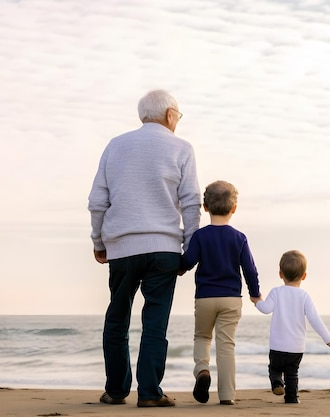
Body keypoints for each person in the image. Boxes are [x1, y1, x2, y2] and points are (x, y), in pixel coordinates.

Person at [88, 89, 201, 408]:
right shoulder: (182, 148)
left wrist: (99, 242)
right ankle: (150, 392)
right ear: (169, 115)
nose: (178, 121)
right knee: (155, 322)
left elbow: (98, 201)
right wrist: (189, 252)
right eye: (178, 115)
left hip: (121, 247)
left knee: (117, 318)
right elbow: (192, 203)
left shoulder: (115, 145)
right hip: (164, 247)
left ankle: (116, 390)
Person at [179, 180, 261, 406]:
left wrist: (179, 268)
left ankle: (202, 370)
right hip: (231, 299)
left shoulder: (200, 236)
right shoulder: (239, 237)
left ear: (205, 207)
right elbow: (250, 270)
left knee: (202, 337)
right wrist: (255, 294)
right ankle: (226, 395)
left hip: (205, 297)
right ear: (234, 209)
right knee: (226, 345)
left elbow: (188, 260)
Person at [250, 250, 330, 404]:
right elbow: (314, 319)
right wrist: (328, 339)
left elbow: (265, 309)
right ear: (304, 276)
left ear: (280, 274)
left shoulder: (276, 292)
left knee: (274, 369)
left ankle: (277, 383)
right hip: (296, 348)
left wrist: (257, 301)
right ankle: (291, 398)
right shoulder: (304, 296)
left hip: (277, 346)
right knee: (292, 374)